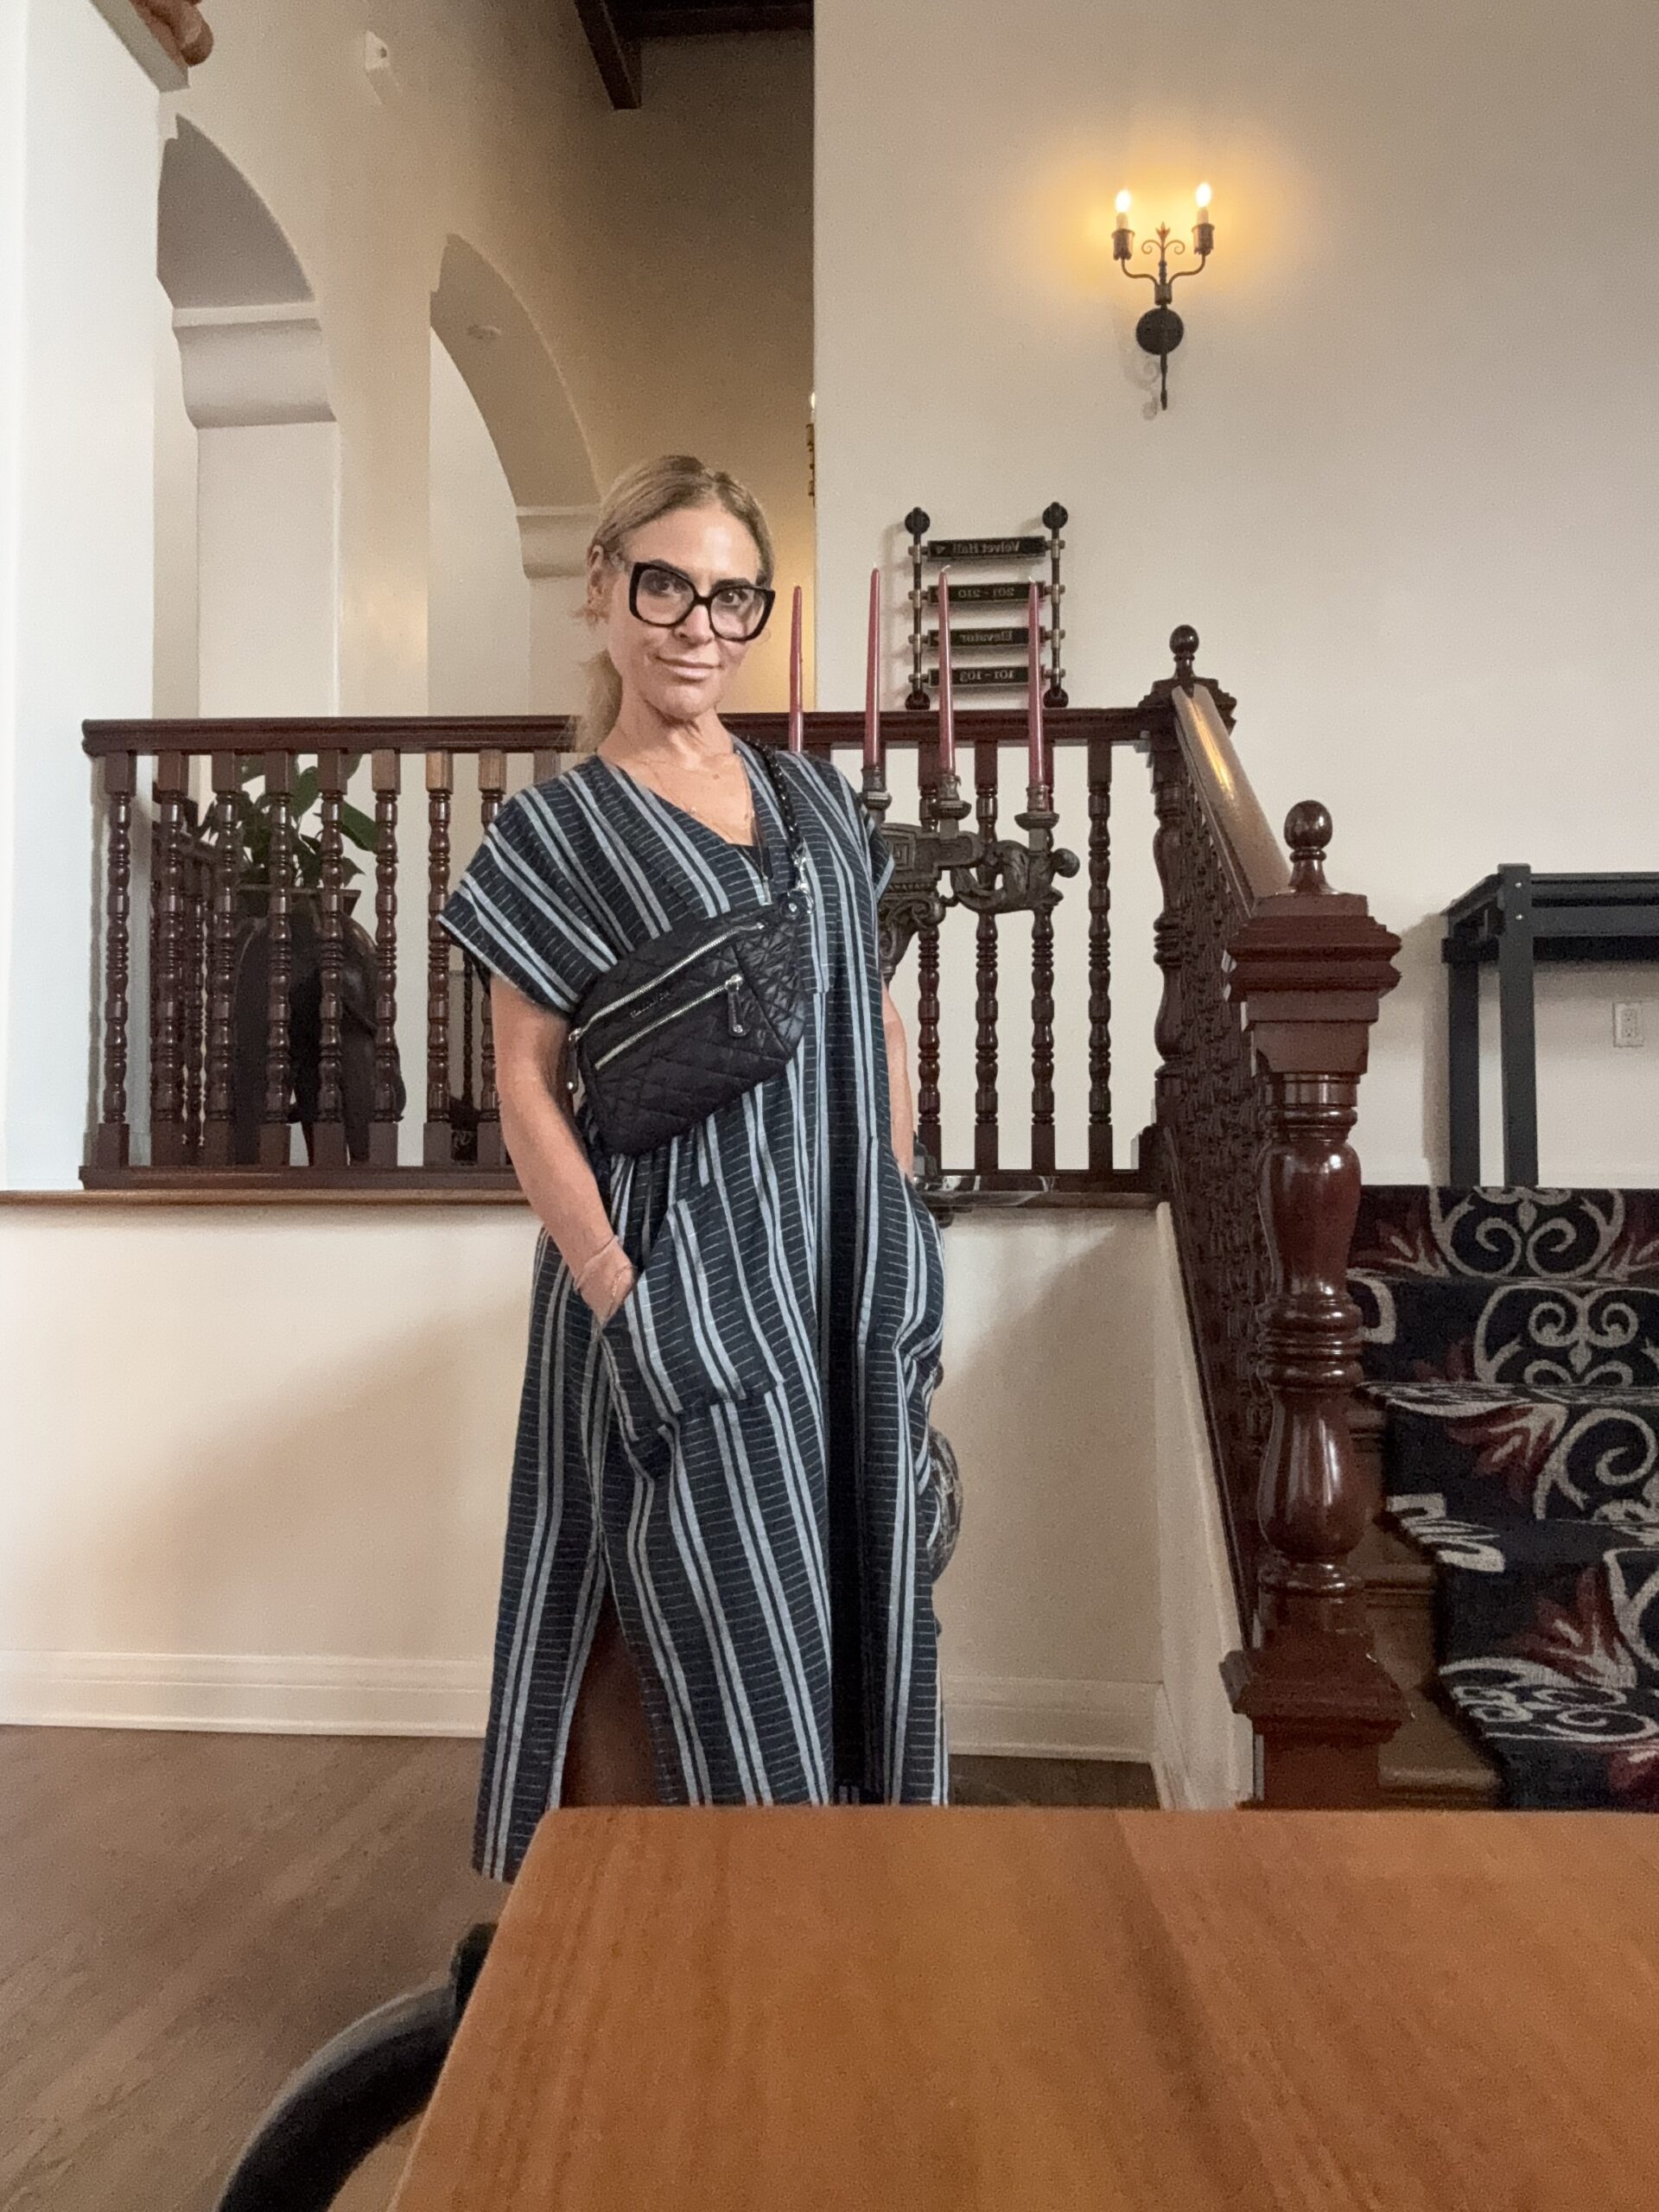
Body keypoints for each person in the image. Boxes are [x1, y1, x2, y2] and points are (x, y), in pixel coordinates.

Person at [441, 454, 947, 1881]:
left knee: (836, 1581)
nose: (699, 625)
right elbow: (527, 1086)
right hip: (668, 1267)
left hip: (832, 1262)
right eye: (666, 585)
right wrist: (623, 1294)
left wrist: (893, 1214)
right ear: (603, 590)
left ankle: (830, 1933)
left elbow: (877, 1019)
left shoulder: (814, 804)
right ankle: (619, 1941)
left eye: (734, 596)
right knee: (648, 1586)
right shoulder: (552, 831)